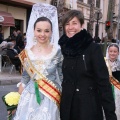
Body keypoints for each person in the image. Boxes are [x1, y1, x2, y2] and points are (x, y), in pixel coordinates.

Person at [58, 10, 117, 120]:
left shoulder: (92, 48)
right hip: (67, 106)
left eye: (74, 23)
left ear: (81, 25)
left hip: (87, 108)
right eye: (67, 24)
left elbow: (103, 83)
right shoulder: (62, 49)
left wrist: (110, 115)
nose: (70, 27)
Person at [12, 3, 62, 120]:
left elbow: (61, 76)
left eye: (46, 31)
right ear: (33, 31)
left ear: (51, 32)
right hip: (29, 98)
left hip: (50, 98)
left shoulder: (57, 51)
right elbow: (25, 78)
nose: (42, 34)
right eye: (39, 30)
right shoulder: (27, 52)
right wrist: (16, 100)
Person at [105, 43, 120, 119]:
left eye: (115, 51)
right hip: (105, 90)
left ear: (118, 53)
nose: (112, 53)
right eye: (111, 51)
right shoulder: (103, 63)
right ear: (108, 52)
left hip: (118, 91)